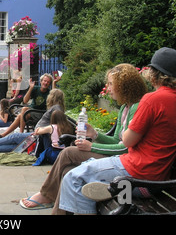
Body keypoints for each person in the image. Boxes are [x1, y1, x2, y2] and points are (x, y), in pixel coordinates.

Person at [57, 48, 176, 215]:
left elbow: (127, 141)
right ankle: (109, 187)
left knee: (73, 179)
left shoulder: (152, 99)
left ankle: (113, 188)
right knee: (84, 170)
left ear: (155, 74)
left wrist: (133, 124)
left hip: (137, 174)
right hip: (158, 178)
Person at [19, 63, 148, 212]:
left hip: (123, 161)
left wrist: (91, 146)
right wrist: (95, 135)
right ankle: (51, 202)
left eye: (111, 84)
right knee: (68, 172)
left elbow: (124, 148)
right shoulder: (124, 108)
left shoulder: (136, 108)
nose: (108, 88)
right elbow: (116, 140)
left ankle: (46, 195)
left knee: (68, 153)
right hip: (118, 157)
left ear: (124, 85)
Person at [0, 89, 71, 155]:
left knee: (15, 137)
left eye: (50, 95)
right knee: (17, 146)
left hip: (39, 136)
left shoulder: (56, 109)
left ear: (53, 97)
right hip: (40, 135)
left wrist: (40, 130)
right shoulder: (57, 107)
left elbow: (56, 127)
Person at [0, 73, 54, 139]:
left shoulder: (50, 93)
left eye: (48, 82)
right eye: (44, 81)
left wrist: (54, 83)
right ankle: (2, 135)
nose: (46, 83)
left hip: (40, 113)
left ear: (50, 84)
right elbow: (25, 101)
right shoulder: (35, 88)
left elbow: (54, 97)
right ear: (41, 81)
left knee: (24, 109)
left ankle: (20, 134)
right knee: (20, 115)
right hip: (30, 111)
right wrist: (30, 88)